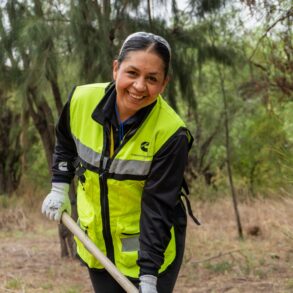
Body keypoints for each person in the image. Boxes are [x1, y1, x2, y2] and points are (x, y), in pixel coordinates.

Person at [42, 31, 196, 293]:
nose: (139, 86)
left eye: (152, 79)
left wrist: (148, 278)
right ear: (116, 69)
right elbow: (65, 142)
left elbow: (157, 208)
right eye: (132, 73)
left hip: (150, 250)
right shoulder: (81, 100)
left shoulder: (171, 133)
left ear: (164, 84)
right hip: (96, 245)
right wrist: (59, 186)